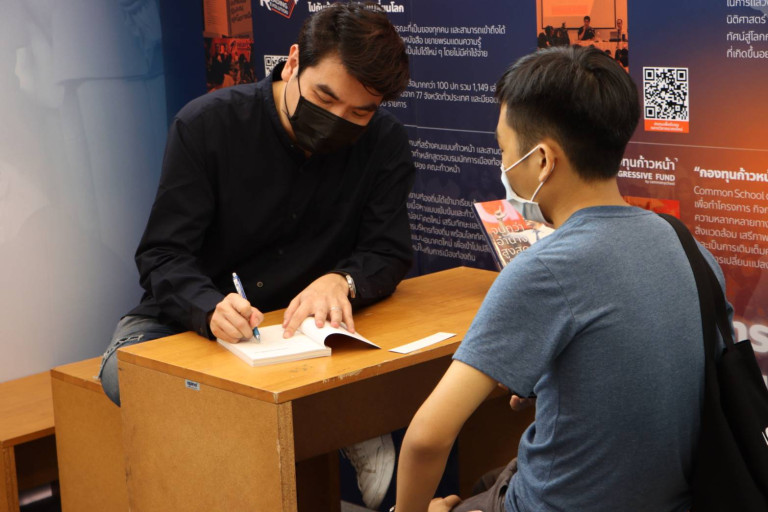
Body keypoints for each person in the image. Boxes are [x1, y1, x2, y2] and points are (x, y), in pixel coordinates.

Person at [98, 3, 413, 509]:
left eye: (360, 112)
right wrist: (208, 307)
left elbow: (387, 249)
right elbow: (162, 253)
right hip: (187, 321)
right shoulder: (208, 125)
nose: (338, 121)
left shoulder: (383, 143)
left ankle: (344, 416)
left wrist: (343, 280)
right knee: (130, 376)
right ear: (294, 61)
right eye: (324, 98)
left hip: (303, 327)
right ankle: (339, 419)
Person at [393, 45, 730, 512]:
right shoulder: (691, 249)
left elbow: (428, 438)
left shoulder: (546, 270)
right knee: (490, 477)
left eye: (504, 150)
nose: (503, 166)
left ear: (543, 161)